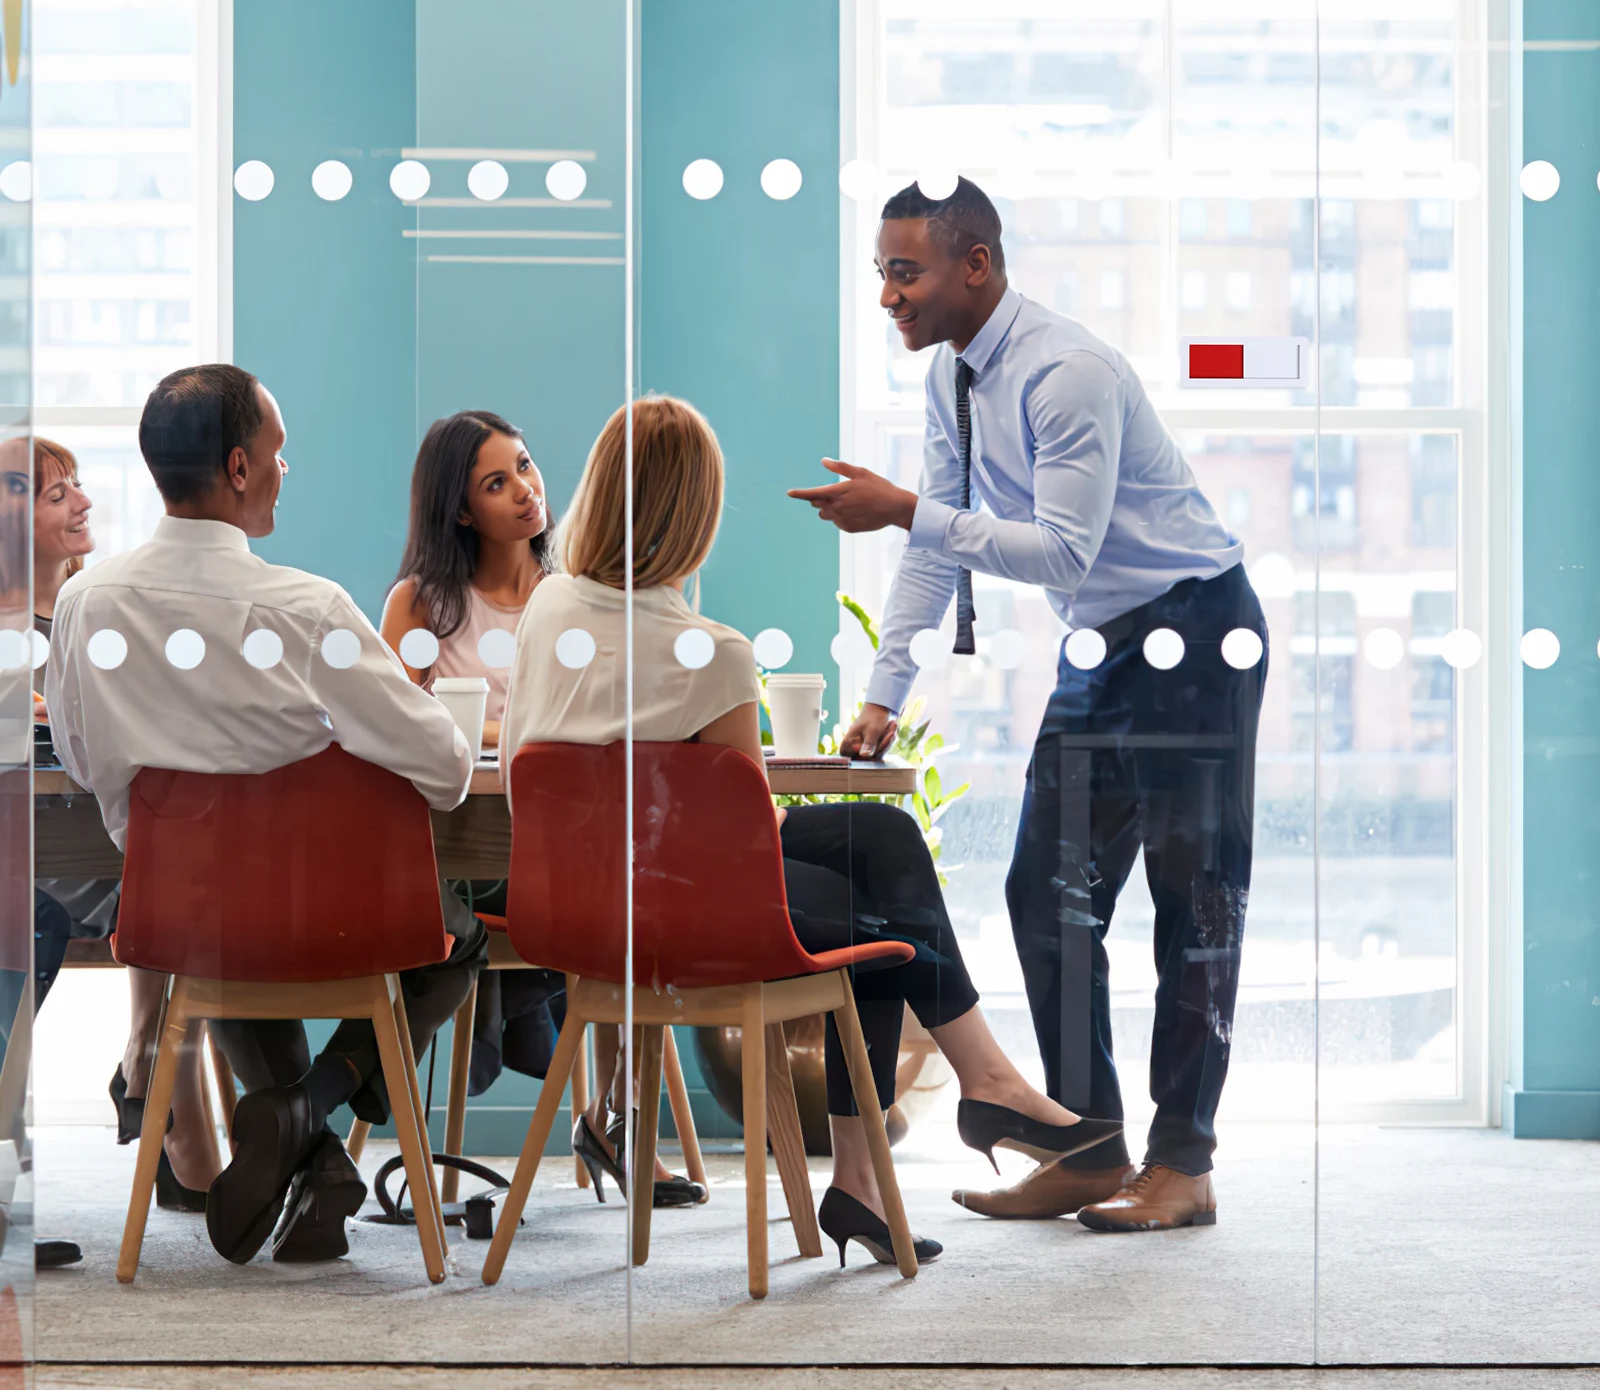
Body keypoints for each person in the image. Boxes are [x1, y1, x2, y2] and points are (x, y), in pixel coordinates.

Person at [502, 395, 1117, 1265]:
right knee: (879, 911)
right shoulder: (708, 652)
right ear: (696, 516)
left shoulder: (549, 607)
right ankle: (978, 1091)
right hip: (682, 912)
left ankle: (889, 1165)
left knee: (880, 840)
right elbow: (745, 833)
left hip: (573, 901)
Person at [789, 178, 1267, 1232]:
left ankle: (1181, 1163)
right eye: (879, 273)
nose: (886, 296)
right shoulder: (952, 379)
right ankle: (1086, 1143)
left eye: (902, 272)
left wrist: (905, 510)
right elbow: (934, 542)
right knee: (1041, 889)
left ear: (976, 265)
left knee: (1194, 905)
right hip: (1100, 643)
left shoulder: (1067, 372)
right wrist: (884, 691)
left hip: (1192, 630)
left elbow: (1058, 547)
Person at [45, 364, 487, 1266]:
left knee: (231, 931)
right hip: (326, 920)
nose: (288, 471)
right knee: (464, 925)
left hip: (182, 920)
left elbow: (89, 771)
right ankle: (307, 1117)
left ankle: (311, 1152)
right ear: (241, 469)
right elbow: (444, 767)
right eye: (280, 454)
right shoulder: (307, 609)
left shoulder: (86, 605)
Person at [30, 437, 218, 1222]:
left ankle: (152, 1073)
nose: (83, 501)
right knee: (179, 883)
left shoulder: (104, 607)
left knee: (202, 888)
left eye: (76, 484)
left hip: (110, 844)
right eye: (54, 493)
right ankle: (167, 1107)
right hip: (39, 857)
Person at [381, 410, 551, 750]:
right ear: (462, 512)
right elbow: (394, 724)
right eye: (496, 484)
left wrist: (466, 726)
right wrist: (517, 735)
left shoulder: (576, 590)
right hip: (464, 800)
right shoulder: (418, 604)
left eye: (524, 465)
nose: (525, 490)